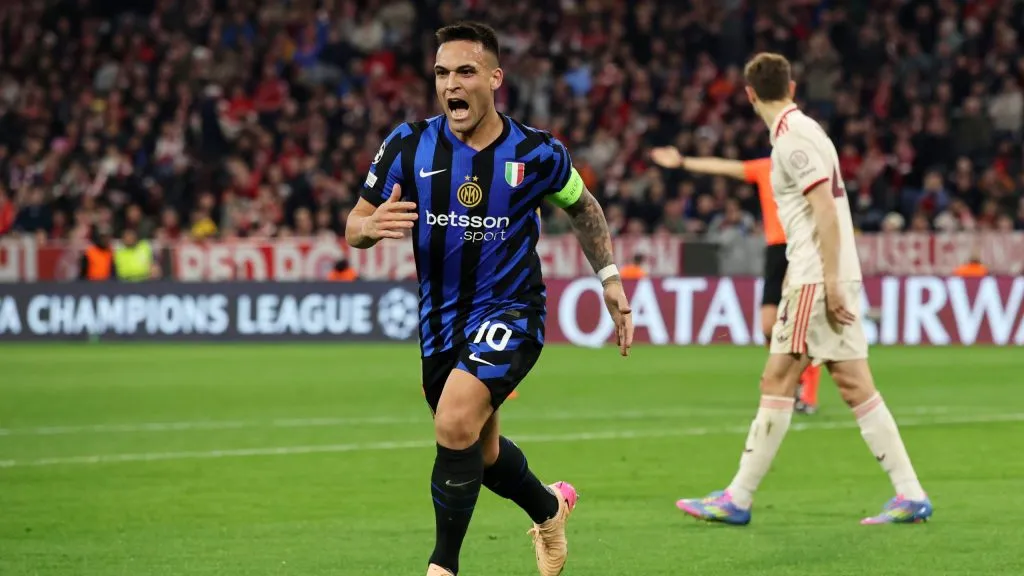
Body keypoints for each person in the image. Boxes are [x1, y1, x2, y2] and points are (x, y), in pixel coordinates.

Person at [344, 22, 634, 576]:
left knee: (454, 422)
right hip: (441, 324)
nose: (451, 83)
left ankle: (442, 567)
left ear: (495, 78)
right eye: (442, 73)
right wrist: (369, 226)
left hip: (512, 312)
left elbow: (584, 207)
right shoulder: (406, 144)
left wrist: (611, 278)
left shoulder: (538, 152)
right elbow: (354, 224)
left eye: (465, 71)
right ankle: (550, 509)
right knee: (481, 452)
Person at [675, 52, 932, 526]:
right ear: (791, 87)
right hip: (828, 273)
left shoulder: (793, 140)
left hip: (815, 276)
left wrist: (830, 281)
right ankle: (911, 494)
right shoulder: (802, 132)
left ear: (750, 94)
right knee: (856, 385)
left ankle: (738, 497)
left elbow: (826, 212)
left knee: (776, 379)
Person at [649, 149, 822, 414]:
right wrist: (684, 161)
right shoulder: (766, 167)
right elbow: (724, 166)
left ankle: (806, 391)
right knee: (767, 326)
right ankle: (793, 380)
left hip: (802, 247)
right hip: (775, 249)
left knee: (797, 324)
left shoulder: (808, 167)